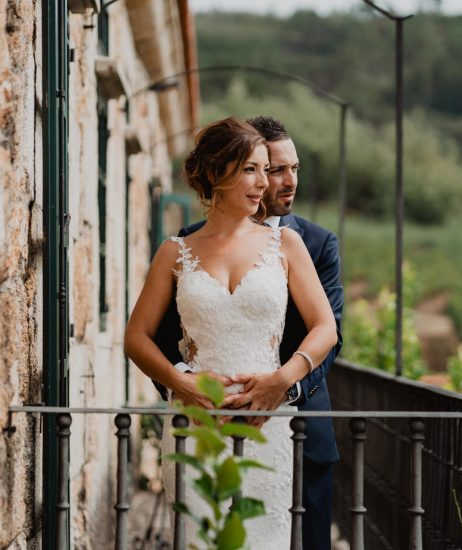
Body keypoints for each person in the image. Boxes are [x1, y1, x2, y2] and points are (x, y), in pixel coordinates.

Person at [124, 117, 337, 548]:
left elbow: (325, 327)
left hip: (267, 425)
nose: (265, 182)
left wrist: (283, 378)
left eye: (267, 170)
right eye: (251, 169)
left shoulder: (287, 246)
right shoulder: (175, 251)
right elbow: (137, 337)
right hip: (195, 424)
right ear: (216, 172)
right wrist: (181, 382)